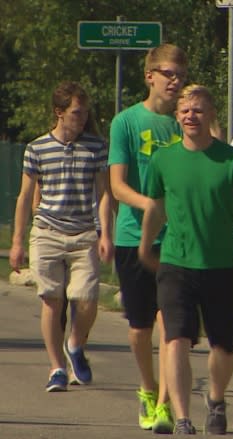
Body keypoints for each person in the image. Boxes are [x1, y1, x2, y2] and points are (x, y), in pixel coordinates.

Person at [138, 84, 233, 435]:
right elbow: (156, 207)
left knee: (223, 345)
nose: (191, 116)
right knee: (175, 337)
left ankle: (216, 398)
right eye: (185, 110)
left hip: (221, 264)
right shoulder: (164, 158)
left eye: (198, 110)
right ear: (177, 116)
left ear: (211, 115)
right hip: (177, 263)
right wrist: (146, 244)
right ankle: (182, 417)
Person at [9, 81, 113, 392]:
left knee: (87, 299)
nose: (81, 120)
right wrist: (17, 243)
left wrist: (106, 233)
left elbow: (105, 194)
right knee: (52, 302)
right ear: (59, 112)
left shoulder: (96, 147)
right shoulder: (37, 148)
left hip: (84, 234)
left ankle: (75, 344)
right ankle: (56, 368)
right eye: (75, 113)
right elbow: (25, 197)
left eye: (84, 114)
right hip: (47, 232)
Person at [108, 43, 187, 433]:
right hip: (133, 236)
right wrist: (151, 204)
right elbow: (118, 186)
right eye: (168, 73)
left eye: (180, 75)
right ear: (150, 75)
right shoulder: (125, 122)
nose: (175, 81)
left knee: (172, 324)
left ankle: (166, 404)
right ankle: (147, 387)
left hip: (177, 240)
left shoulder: (184, 123)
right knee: (140, 327)